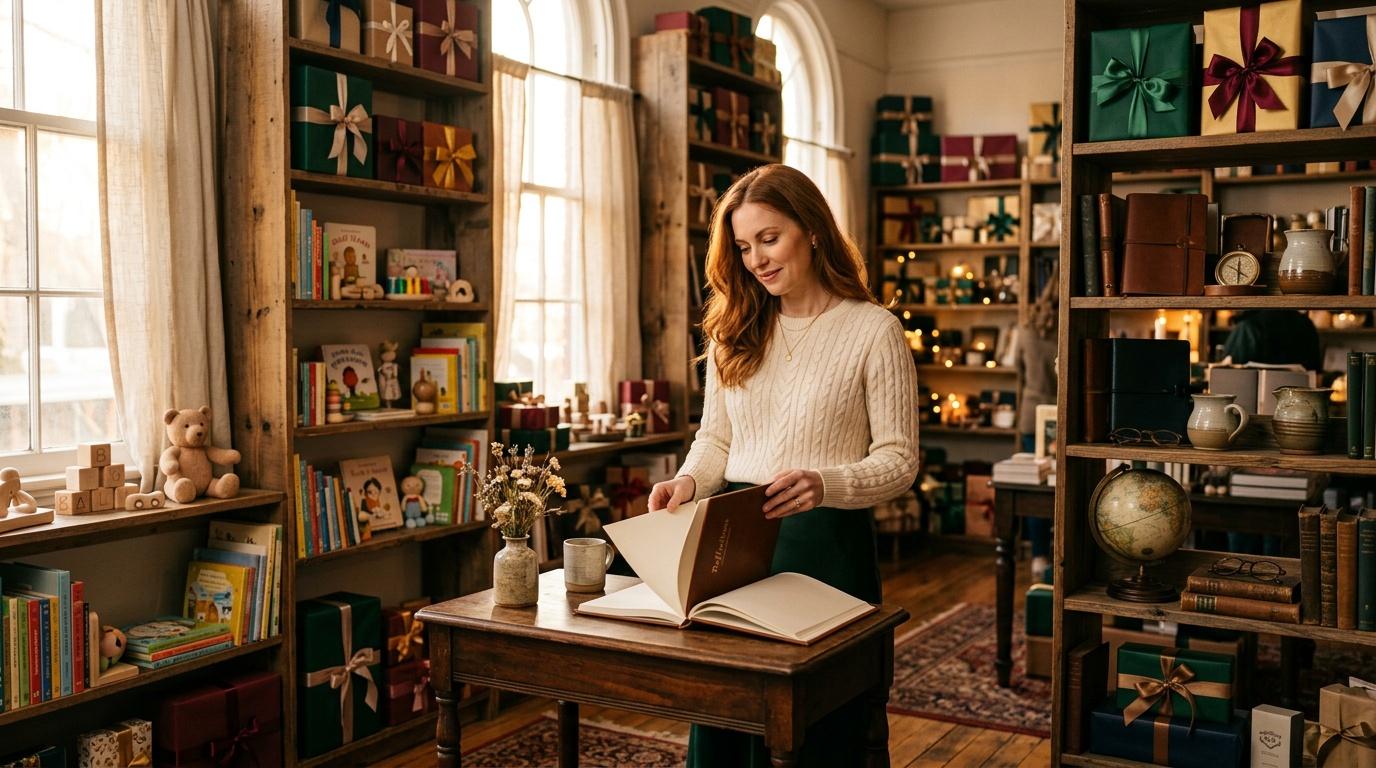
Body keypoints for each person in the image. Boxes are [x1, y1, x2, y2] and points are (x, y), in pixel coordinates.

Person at [648, 164, 920, 766]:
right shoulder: (733, 331)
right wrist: (687, 482)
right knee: (726, 716)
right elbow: (717, 438)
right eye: (744, 247)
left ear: (814, 230)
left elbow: (900, 462)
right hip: (733, 542)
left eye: (769, 239)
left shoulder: (875, 330)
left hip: (826, 545)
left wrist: (827, 482)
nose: (757, 261)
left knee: (820, 731)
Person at [1013, 264, 1058, 583]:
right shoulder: (1069, 325)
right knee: (1063, 488)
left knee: (1035, 488)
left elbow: (1017, 367)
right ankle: (1061, 556)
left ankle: (1038, 557)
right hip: (1061, 414)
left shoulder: (1026, 328)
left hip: (1031, 414)